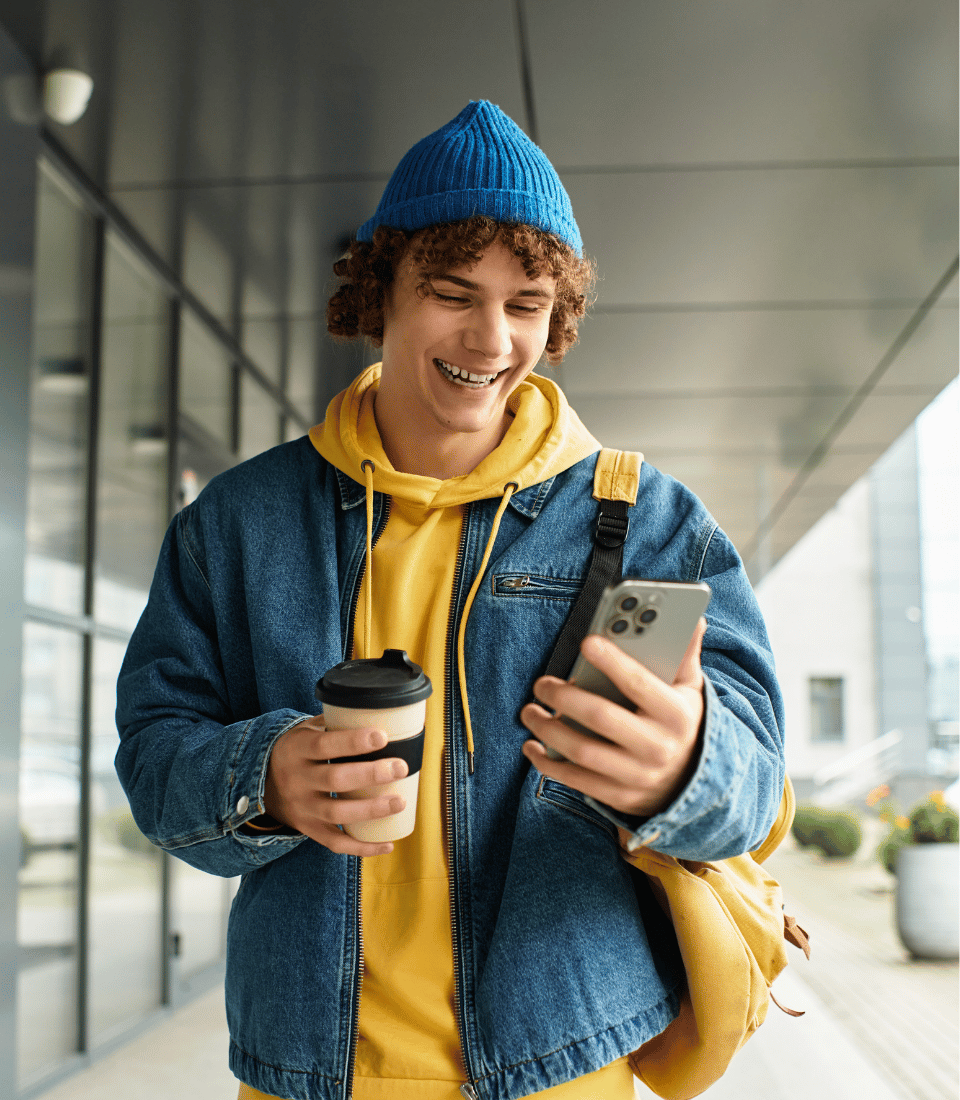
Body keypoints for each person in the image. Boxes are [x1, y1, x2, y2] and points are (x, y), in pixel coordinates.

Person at [115, 100, 784, 1100]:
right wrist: (267, 776)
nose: (490, 337)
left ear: (558, 317)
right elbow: (154, 755)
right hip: (309, 1068)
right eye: (453, 292)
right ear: (380, 286)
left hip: (565, 1062)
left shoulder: (643, 519)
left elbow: (758, 780)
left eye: (526, 306)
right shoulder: (238, 522)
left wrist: (686, 764)